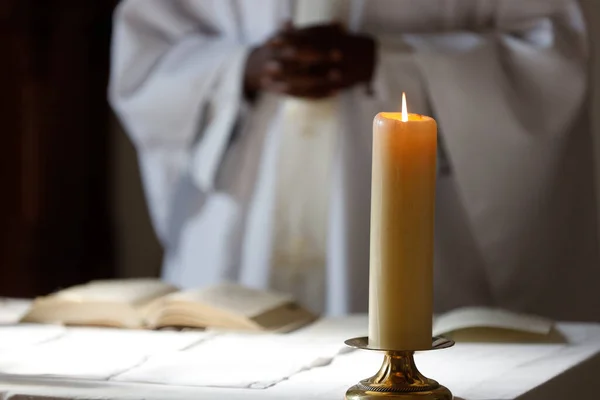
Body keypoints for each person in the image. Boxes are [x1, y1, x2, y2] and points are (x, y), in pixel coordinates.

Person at [109, 0, 600, 320]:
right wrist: (244, 68)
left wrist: (393, 63)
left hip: (435, 230)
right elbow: (147, 47)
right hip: (245, 215)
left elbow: (550, 51)